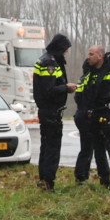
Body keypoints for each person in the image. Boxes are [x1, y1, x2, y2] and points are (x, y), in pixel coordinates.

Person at [73, 45, 110, 187]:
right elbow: (80, 96)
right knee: (99, 153)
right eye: (89, 54)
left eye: (91, 54)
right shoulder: (89, 73)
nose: (88, 57)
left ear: (100, 56)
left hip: (109, 117)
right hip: (93, 118)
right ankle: (105, 183)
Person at [32, 33, 78, 190]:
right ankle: (47, 182)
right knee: (52, 148)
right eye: (66, 50)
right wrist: (66, 87)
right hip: (50, 111)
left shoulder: (45, 59)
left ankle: (44, 179)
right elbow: (49, 89)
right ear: (61, 48)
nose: (66, 53)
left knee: (46, 146)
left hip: (47, 111)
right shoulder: (50, 63)